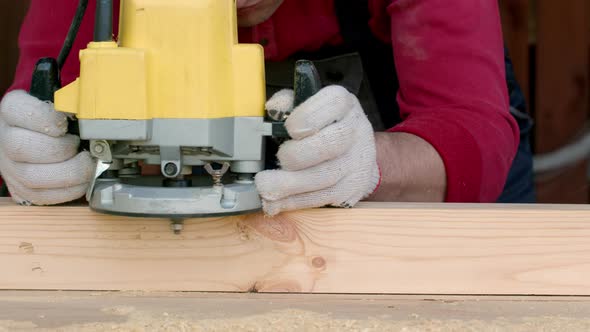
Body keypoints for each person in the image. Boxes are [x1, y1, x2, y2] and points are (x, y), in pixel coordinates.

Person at [0, 0, 535, 216]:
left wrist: (373, 162)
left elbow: (471, 125)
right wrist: (36, 155)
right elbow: (38, 109)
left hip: (405, 182)